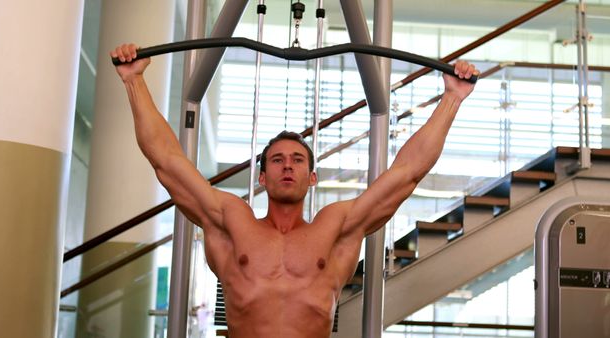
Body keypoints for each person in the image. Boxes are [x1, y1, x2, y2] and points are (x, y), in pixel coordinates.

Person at [111, 43, 477, 338]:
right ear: (262, 178)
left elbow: (406, 174)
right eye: (277, 160)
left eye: (299, 160)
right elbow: (167, 162)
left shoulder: (335, 228)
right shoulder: (230, 221)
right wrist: (134, 82)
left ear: (312, 177)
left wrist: (452, 99)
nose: (288, 165)